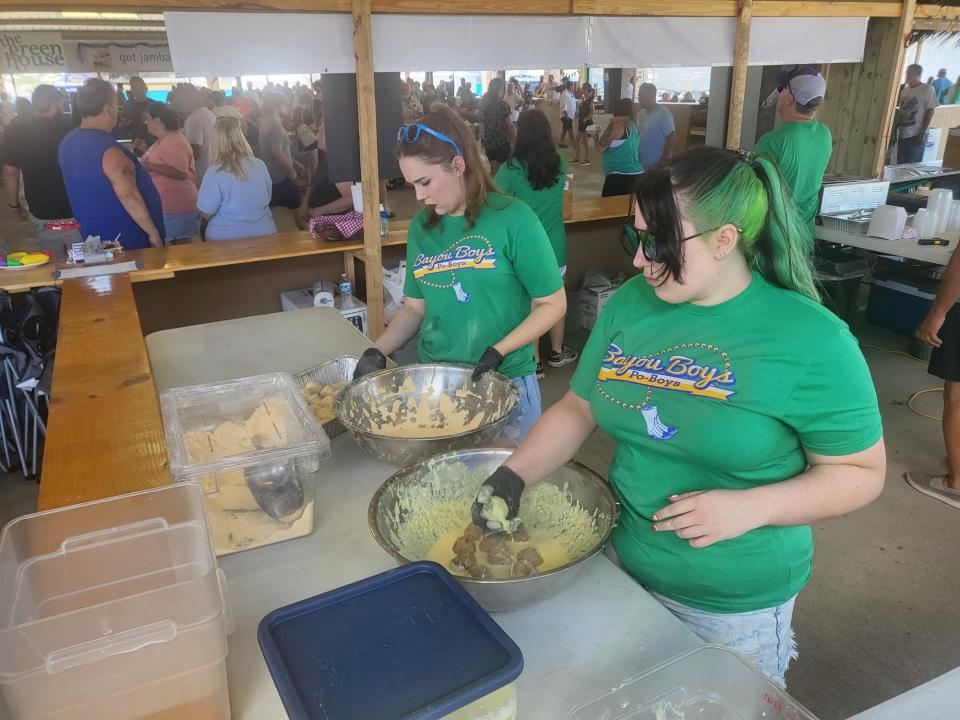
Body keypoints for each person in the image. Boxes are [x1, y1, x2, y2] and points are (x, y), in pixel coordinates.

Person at [474, 145, 885, 687]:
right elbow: (578, 407)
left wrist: (751, 507)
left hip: (732, 603)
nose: (640, 260)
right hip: (622, 564)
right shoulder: (629, 304)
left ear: (724, 239)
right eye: (635, 237)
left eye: (657, 242)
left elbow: (861, 473)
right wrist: (513, 474)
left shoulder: (812, 339)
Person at [354, 105, 566, 444]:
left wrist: (499, 350)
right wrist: (377, 350)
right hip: (438, 385)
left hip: (504, 384)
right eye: (411, 185)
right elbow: (414, 308)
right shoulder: (422, 228)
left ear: (458, 165)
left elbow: (552, 303)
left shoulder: (514, 219)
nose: (419, 196)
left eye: (425, 182)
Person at [495, 109, 577, 377]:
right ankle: (557, 350)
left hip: (523, 251)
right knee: (556, 301)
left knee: (529, 306)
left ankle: (535, 361)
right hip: (556, 246)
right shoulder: (560, 163)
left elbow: (493, 202)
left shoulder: (511, 170)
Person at [58, 79, 164, 249]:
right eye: (117, 106)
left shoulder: (68, 141)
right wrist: (153, 232)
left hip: (93, 232)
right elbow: (127, 194)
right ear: (107, 109)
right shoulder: (109, 150)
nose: (118, 112)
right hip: (125, 238)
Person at [0, 85, 81, 255]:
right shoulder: (70, 129)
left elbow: (10, 171)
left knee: (53, 261)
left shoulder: (17, 130)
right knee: (83, 256)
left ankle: (56, 279)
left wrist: (14, 205)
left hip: (42, 209)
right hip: (75, 206)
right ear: (55, 103)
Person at [752, 69, 830, 236]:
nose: (779, 93)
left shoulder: (774, 141)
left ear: (789, 99)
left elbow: (750, 189)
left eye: (783, 89)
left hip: (775, 237)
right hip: (804, 235)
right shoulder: (824, 134)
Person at [197, 116, 277, 241]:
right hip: (265, 231)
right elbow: (267, 196)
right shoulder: (260, 164)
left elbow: (206, 212)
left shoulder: (214, 172)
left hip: (225, 238)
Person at [141, 103, 199, 244]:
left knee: (180, 252)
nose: (145, 122)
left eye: (148, 119)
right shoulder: (164, 140)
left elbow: (180, 172)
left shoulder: (173, 141)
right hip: (168, 207)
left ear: (158, 120)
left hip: (177, 209)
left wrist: (149, 165)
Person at [258, 91, 306, 229]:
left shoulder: (266, 123)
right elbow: (277, 151)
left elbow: (279, 149)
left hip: (271, 175)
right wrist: (290, 170)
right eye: (285, 104)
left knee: (287, 210)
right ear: (277, 105)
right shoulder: (275, 125)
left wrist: (295, 163)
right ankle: (310, 238)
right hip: (280, 176)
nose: (287, 108)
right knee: (298, 210)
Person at [597, 99, 644, 197]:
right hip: (637, 175)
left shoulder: (616, 124)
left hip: (619, 176)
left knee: (610, 209)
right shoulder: (633, 126)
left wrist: (594, 136)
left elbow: (601, 148)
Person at [173, 84, 216, 186]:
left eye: (179, 100)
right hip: (211, 170)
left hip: (201, 174)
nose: (177, 105)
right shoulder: (208, 113)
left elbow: (195, 153)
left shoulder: (194, 119)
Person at [897, 64, 938, 164]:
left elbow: (930, 111)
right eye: (907, 73)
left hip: (916, 134)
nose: (907, 75)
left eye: (910, 73)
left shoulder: (927, 88)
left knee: (912, 165)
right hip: (903, 133)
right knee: (900, 165)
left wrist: (922, 132)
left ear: (918, 74)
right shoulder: (905, 90)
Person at [301, 149, 353, 221]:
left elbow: (350, 198)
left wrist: (319, 210)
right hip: (320, 218)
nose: (318, 137)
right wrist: (306, 203)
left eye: (321, 136)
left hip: (333, 220)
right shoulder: (325, 157)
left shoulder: (336, 161)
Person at [635, 83, 676, 170]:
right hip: (641, 164)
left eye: (641, 95)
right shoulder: (640, 114)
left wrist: (662, 161)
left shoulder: (663, 113)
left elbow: (671, 138)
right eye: (638, 96)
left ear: (651, 96)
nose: (639, 99)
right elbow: (639, 136)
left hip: (658, 165)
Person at [479, 77, 515, 175]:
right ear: (499, 89)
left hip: (489, 143)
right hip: (502, 143)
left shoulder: (483, 104)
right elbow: (510, 125)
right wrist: (516, 141)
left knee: (493, 171)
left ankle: (494, 187)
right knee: (503, 172)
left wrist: (483, 141)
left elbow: (482, 123)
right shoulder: (502, 105)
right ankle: (499, 189)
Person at [572, 84, 596, 166]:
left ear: (586, 89)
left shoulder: (590, 100)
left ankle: (587, 159)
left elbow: (592, 112)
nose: (581, 89)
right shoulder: (584, 99)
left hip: (586, 123)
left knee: (585, 141)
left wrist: (585, 119)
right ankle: (577, 158)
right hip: (582, 122)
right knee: (577, 140)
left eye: (582, 88)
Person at [558, 79, 576, 149]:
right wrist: (566, 115)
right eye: (573, 86)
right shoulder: (564, 94)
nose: (574, 88)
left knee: (565, 129)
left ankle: (560, 142)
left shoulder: (571, 93)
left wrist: (575, 112)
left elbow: (573, 104)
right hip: (565, 116)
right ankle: (574, 143)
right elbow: (563, 105)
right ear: (569, 86)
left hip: (570, 115)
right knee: (570, 129)